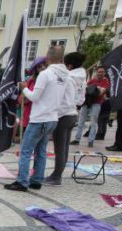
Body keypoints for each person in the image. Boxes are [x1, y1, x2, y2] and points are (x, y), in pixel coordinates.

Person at [5, 46, 67, 192]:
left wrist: (24, 88)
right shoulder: (65, 76)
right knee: (41, 151)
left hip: (40, 118)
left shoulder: (46, 74)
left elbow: (34, 97)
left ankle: (22, 181)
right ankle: (37, 179)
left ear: (48, 58)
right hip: (52, 118)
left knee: (26, 151)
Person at [46, 52, 86, 186]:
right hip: (72, 114)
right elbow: (81, 100)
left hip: (63, 115)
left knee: (60, 149)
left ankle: (56, 176)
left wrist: (55, 113)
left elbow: (60, 98)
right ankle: (58, 174)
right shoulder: (81, 79)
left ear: (69, 66)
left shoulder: (67, 78)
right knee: (64, 148)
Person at [71, 66, 108, 147]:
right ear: (96, 72)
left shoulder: (105, 81)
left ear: (104, 73)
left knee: (93, 122)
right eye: (99, 72)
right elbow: (84, 88)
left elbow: (100, 92)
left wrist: (92, 88)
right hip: (86, 103)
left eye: (102, 72)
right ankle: (77, 139)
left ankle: (91, 140)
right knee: (81, 121)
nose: (100, 73)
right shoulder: (92, 80)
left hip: (96, 103)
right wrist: (95, 88)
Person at [21, 57, 47, 131]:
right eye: (39, 66)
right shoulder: (31, 81)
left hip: (44, 115)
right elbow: (23, 99)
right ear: (36, 70)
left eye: (44, 65)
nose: (43, 68)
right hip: (31, 114)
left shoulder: (51, 79)